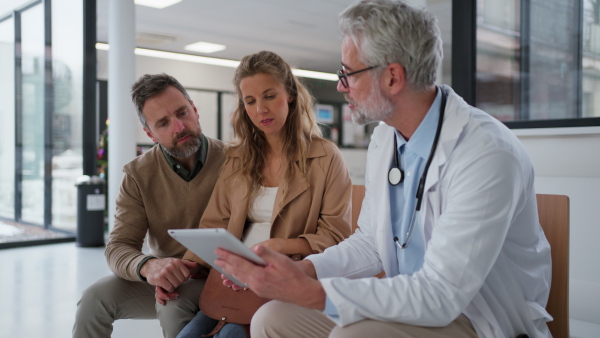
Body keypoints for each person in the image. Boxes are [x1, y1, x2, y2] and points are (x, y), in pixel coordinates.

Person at [213, 1, 553, 337]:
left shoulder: (485, 153)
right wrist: (304, 270)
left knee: (353, 336)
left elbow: (442, 294)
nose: (340, 86)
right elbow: (370, 244)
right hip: (405, 301)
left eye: (348, 73)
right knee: (272, 318)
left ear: (392, 77)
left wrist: (314, 293)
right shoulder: (386, 138)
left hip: (475, 316)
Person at [174, 50, 353, 338]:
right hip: (232, 277)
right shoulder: (238, 157)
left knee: (231, 335)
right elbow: (214, 224)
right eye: (251, 101)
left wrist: (279, 246)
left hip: (284, 274)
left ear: (290, 95)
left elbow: (336, 235)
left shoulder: (325, 156)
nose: (261, 110)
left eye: (270, 96)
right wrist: (188, 264)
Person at [73, 73, 226, 338]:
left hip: (221, 276)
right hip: (164, 278)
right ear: (150, 133)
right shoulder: (138, 174)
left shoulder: (233, 161)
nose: (179, 127)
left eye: (182, 113)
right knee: (93, 300)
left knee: (172, 302)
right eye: (163, 123)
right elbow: (118, 247)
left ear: (195, 110)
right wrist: (149, 267)